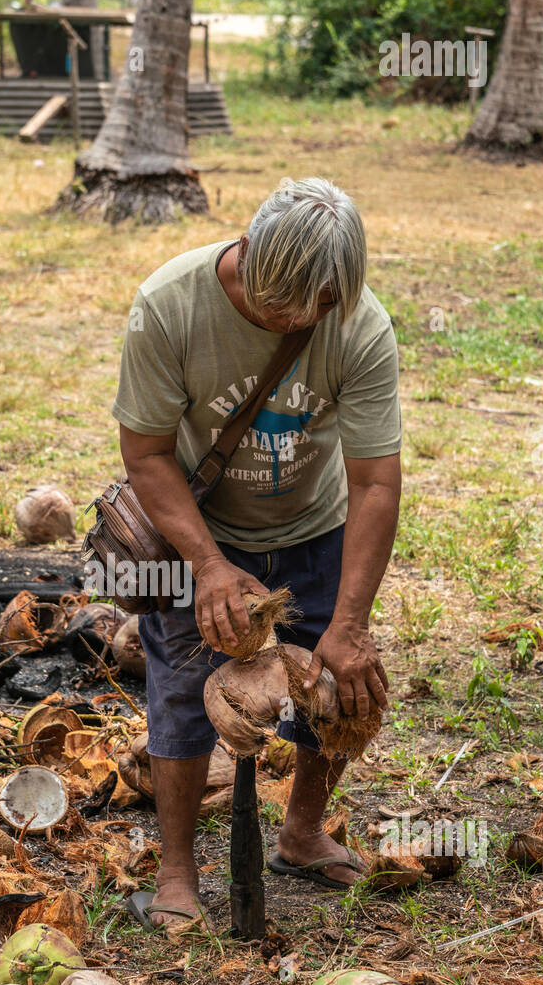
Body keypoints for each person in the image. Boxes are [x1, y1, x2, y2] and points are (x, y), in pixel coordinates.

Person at [112, 178, 401, 927]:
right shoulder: (169, 306)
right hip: (199, 526)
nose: (299, 321)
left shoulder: (359, 326)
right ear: (250, 257)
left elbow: (373, 482)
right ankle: (177, 875)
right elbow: (145, 454)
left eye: (317, 307)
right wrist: (207, 564)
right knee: (180, 687)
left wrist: (351, 622)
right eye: (280, 307)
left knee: (336, 686)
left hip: (312, 524)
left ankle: (302, 833)